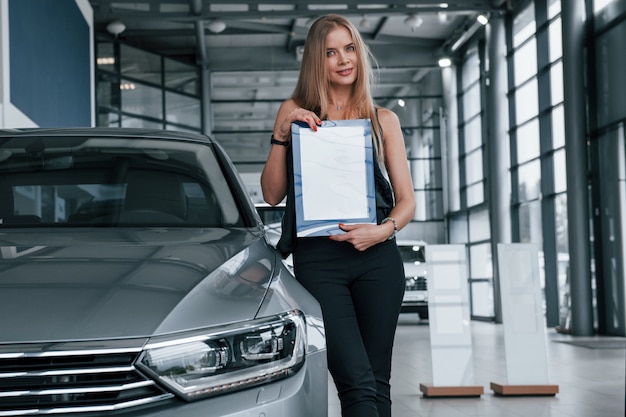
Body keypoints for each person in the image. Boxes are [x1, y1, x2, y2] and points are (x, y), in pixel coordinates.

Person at [260, 14, 416, 417]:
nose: (343, 59)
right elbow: (272, 194)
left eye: (349, 48)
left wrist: (381, 232)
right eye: (331, 52)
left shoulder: (383, 120)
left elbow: (408, 201)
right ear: (317, 60)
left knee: (377, 383)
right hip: (320, 263)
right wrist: (283, 134)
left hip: (379, 259)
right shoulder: (295, 112)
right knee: (356, 383)